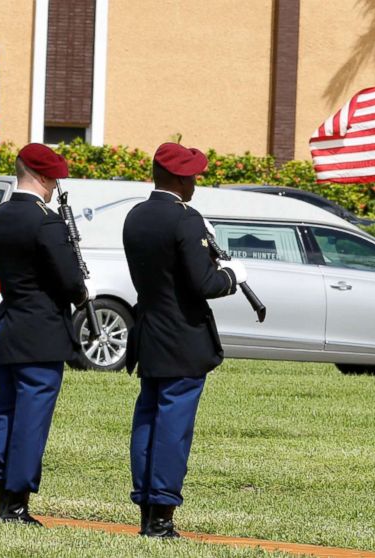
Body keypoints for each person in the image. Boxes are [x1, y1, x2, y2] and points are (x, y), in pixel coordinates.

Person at [122, 142, 246, 537]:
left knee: (148, 421)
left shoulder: (135, 215)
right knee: (173, 428)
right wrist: (232, 275)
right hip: (183, 336)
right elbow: (204, 283)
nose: (195, 182)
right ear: (177, 178)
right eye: (191, 176)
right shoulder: (185, 220)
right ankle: (161, 518)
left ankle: (146, 506)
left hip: (150, 332)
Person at [0, 143, 94, 524]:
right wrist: (81, 291)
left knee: (7, 411)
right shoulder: (46, 221)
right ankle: (16, 505)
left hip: (9, 325)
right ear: (43, 176)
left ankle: (2, 490)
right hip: (41, 331)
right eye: (54, 179)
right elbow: (68, 279)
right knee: (31, 418)